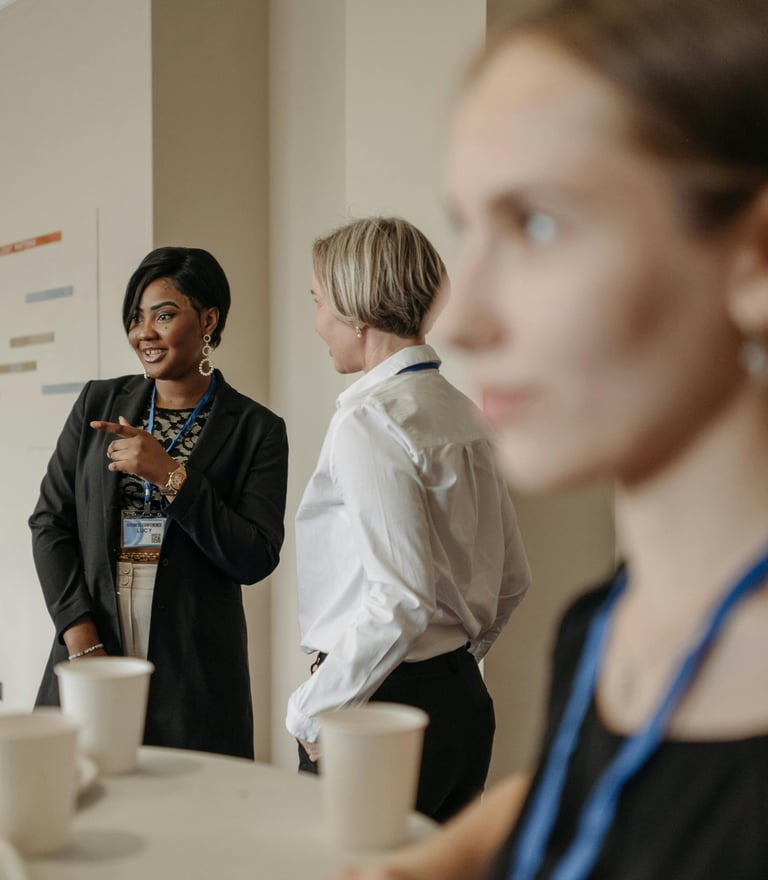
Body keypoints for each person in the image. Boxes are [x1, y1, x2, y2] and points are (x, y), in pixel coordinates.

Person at [335, 0, 768, 877]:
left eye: (537, 224)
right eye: (470, 228)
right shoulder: (603, 629)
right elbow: (586, 800)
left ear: (753, 258)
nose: (462, 319)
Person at [285, 216, 531, 822]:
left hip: (372, 709)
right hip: (461, 706)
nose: (317, 322)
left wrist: (309, 708)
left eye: (319, 303)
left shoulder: (370, 420)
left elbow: (402, 596)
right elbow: (513, 579)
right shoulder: (467, 414)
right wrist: (452, 668)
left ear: (356, 311)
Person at [31, 246, 288, 759]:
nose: (144, 333)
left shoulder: (257, 429)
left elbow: (255, 556)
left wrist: (171, 476)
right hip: (94, 632)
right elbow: (50, 523)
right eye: (136, 318)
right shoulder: (98, 403)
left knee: (187, 816)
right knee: (83, 806)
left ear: (209, 319)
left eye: (164, 315)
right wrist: (81, 639)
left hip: (195, 664)